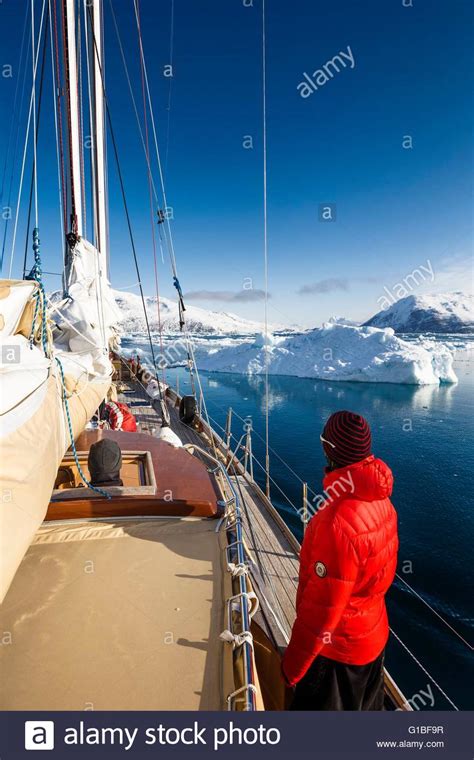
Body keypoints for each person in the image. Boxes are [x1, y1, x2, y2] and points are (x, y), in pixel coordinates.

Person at [282, 410, 398, 710]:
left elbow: (320, 617)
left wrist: (291, 669)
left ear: (330, 450)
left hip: (338, 655)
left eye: (324, 441)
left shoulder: (336, 522)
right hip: (373, 644)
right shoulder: (381, 501)